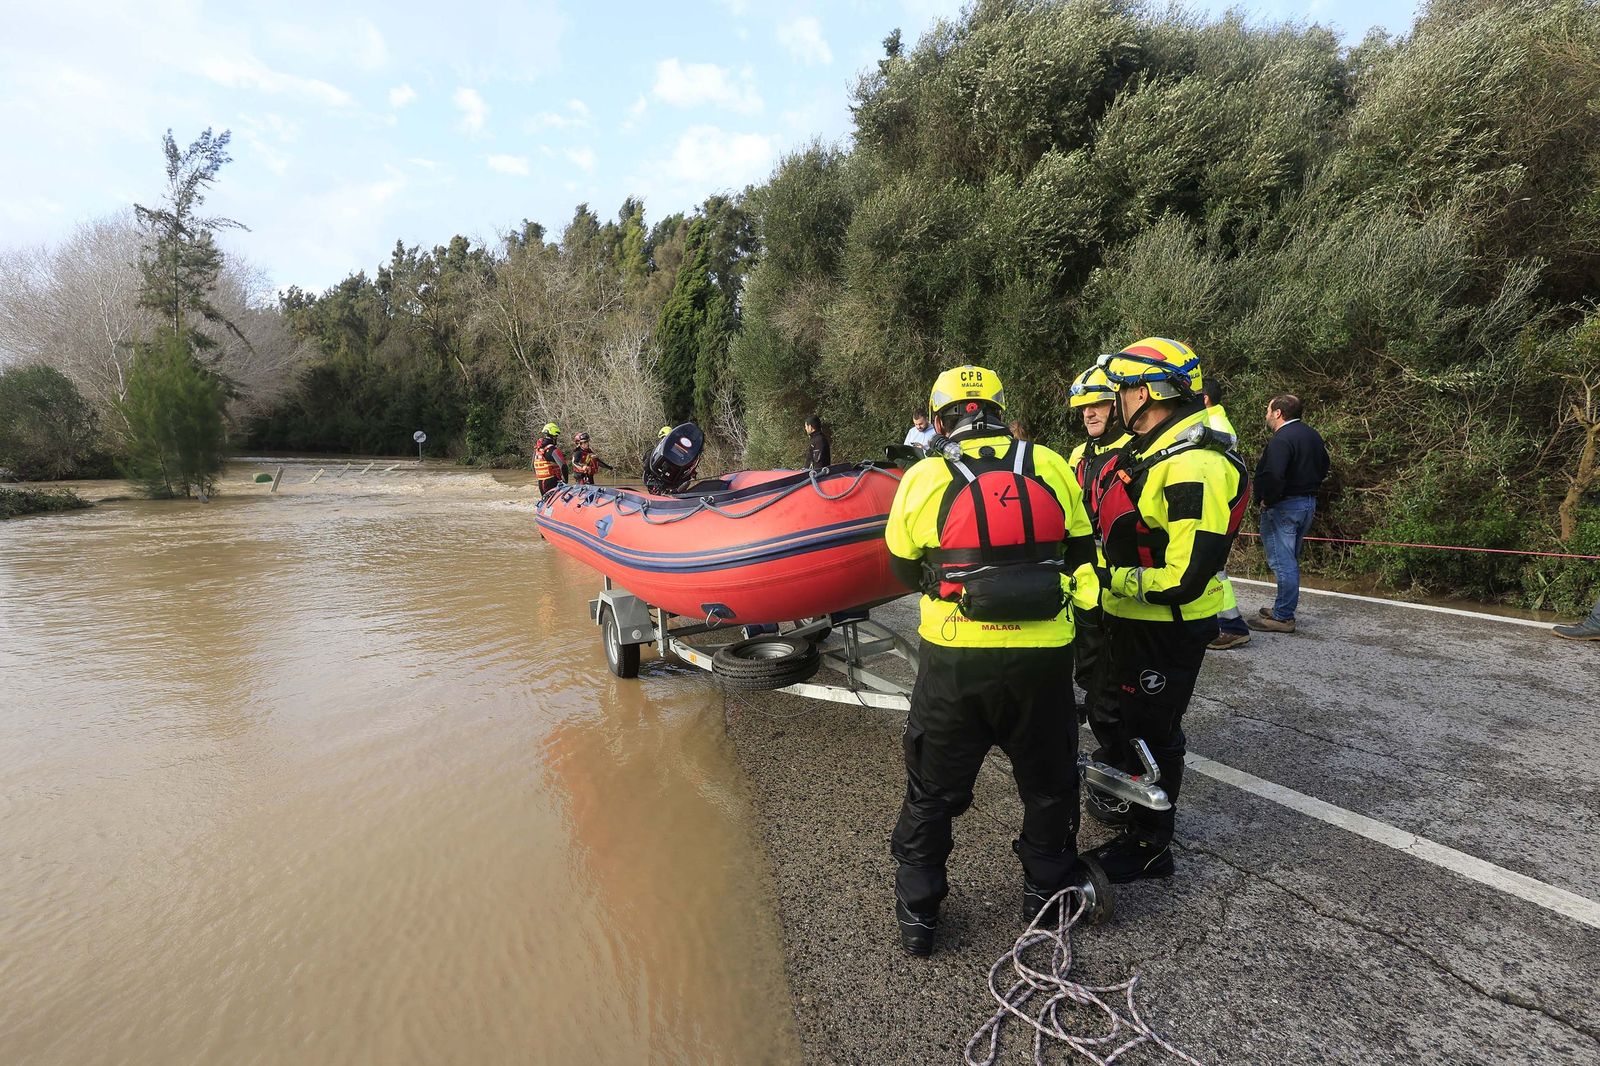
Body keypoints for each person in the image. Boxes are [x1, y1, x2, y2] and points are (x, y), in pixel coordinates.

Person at [883, 364, 1101, 956]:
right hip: (1043, 659)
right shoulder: (1052, 463)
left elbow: (903, 569)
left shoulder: (925, 475)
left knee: (932, 791)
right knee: (1050, 784)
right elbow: (1081, 551)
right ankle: (1044, 895)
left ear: (938, 419)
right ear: (1002, 411)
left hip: (957, 659)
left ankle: (920, 915)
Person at [1086, 338, 1248, 883]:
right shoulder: (1157, 449)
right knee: (1119, 718)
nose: (1116, 401)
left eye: (1123, 390)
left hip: (1164, 627)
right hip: (1134, 619)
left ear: (1150, 391)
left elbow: (1184, 577)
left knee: (1153, 733)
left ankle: (1151, 845)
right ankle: (1131, 805)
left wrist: (1108, 579)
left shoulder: (1193, 466)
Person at [1066, 365, 1132, 827]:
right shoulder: (1076, 454)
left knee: (1116, 689)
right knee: (1088, 673)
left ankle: (1118, 774)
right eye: (1085, 406)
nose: (1091, 413)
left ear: (1117, 407)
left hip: (1125, 590)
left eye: (1099, 404)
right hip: (1083, 587)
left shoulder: (1133, 452)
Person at [1247, 395, 1330, 634]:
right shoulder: (1312, 435)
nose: (1266, 415)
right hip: (1307, 503)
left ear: (1278, 413)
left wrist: (1267, 499)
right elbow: (1325, 464)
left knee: (1282, 562)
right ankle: (1282, 608)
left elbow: (1274, 474)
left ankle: (1283, 617)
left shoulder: (1281, 439)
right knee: (1290, 559)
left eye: (1268, 410)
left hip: (1284, 505)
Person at [1200, 384, 1252, 651]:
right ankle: (1227, 623)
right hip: (1220, 510)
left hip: (1216, 511)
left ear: (1205, 398)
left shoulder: (1213, 424)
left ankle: (1231, 625)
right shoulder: (1217, 421)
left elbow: (1217, 474)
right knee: (1214, 568)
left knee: (1212, 568)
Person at [533, 422, 568, 496]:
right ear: (554, 436)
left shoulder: (537, 450)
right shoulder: (553, 450)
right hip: (552, 482)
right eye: (556, 436)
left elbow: (533, 466)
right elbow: (563, 466)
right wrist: (565, 481)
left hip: (541, 483)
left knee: (546, 503)